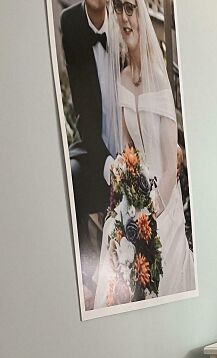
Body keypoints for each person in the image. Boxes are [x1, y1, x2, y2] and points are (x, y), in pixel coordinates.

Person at [93, 0, 194, 307]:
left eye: (130, 8)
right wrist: (126, 199)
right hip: (136, 192)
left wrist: (149, 213)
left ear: (142, 15)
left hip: (162, 197)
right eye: (119, 9)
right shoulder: (122, 79)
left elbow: (169, 169)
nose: (125, 18)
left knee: (152, 260)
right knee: (113, 234)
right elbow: (127, 152)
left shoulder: (160, 82)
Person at [61, 0, 121, 304]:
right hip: (96, 144)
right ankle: (86, 280)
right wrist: (107, 163)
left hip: (129, 140)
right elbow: (84, 110)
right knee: (69, 176)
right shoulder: (71, 23)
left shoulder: (126, 15)